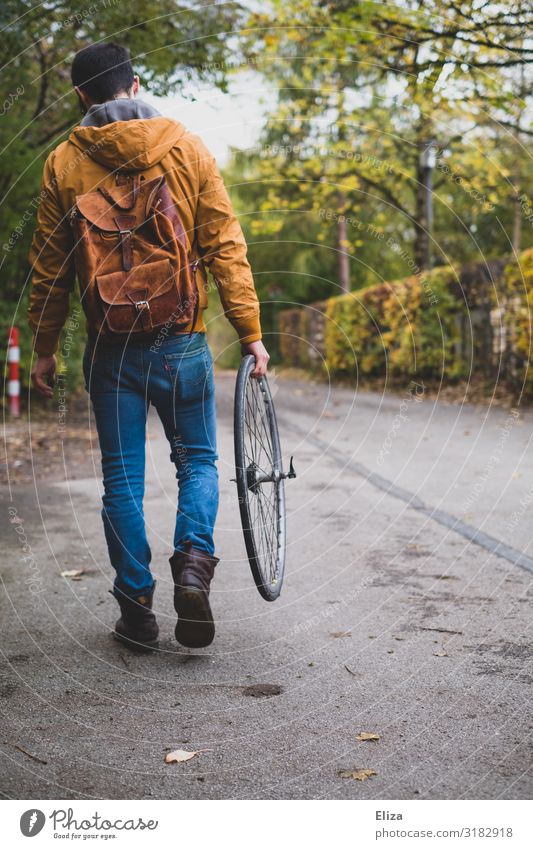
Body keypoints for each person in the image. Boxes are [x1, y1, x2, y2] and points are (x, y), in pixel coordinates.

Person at [28, 42, 269, 652]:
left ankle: (135, 607)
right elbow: (224, 244)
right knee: (199, 462)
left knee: (122, 480)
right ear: (134, 85)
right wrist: (251, 334)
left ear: (82, 95)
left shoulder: (64, 161)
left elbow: (50, 268)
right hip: (182, 342)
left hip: (112, 350)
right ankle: (192, 565)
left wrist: (44, 347)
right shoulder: (186, 146)